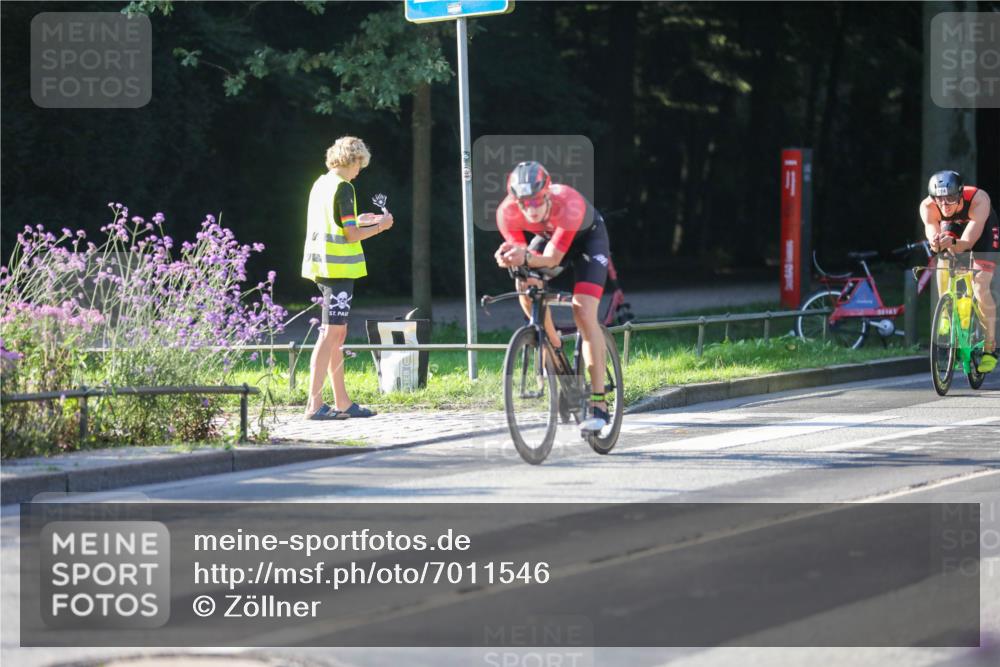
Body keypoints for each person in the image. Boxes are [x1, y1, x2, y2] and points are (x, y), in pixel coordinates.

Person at [494, 161, 612, 432]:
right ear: (515, 202)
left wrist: (524, 256)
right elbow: (525, 258)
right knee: (524, 282)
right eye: (525, 203)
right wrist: (509, 257)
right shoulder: (506, 212)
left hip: (587, 240)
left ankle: (599, 404)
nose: (532, 208)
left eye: (537, 200)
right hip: (549, 238)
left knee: (583, 312)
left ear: (547, 193)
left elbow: (552, 258)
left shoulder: (568, 202)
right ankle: (552, 344)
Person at [302, 136, 394, 419]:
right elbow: (351, 235)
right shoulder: (345, 187)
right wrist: (381, 226)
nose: (360, 170)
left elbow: (341, 222)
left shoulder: (321, 183)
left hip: (322, 264)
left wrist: (359, 218)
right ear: (352, 160)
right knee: (330, 333)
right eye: (360, 165)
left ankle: (342, 401)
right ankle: (314, 405)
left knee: (336, 333)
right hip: (338, 267)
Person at [921, 169, 1000, 373]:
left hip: (981, 233)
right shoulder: (928, 206)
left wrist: (955, 243)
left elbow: (967, 242)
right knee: (943, 258)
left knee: (980, 285)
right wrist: (936, 242)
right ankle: (946, 312)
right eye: (940, 200)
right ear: (933, 199)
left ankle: (990, 347)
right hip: (954, 228)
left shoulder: (978, 199)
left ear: (960, 193)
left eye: (950, 198)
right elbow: (932, 232)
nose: (945, 205)